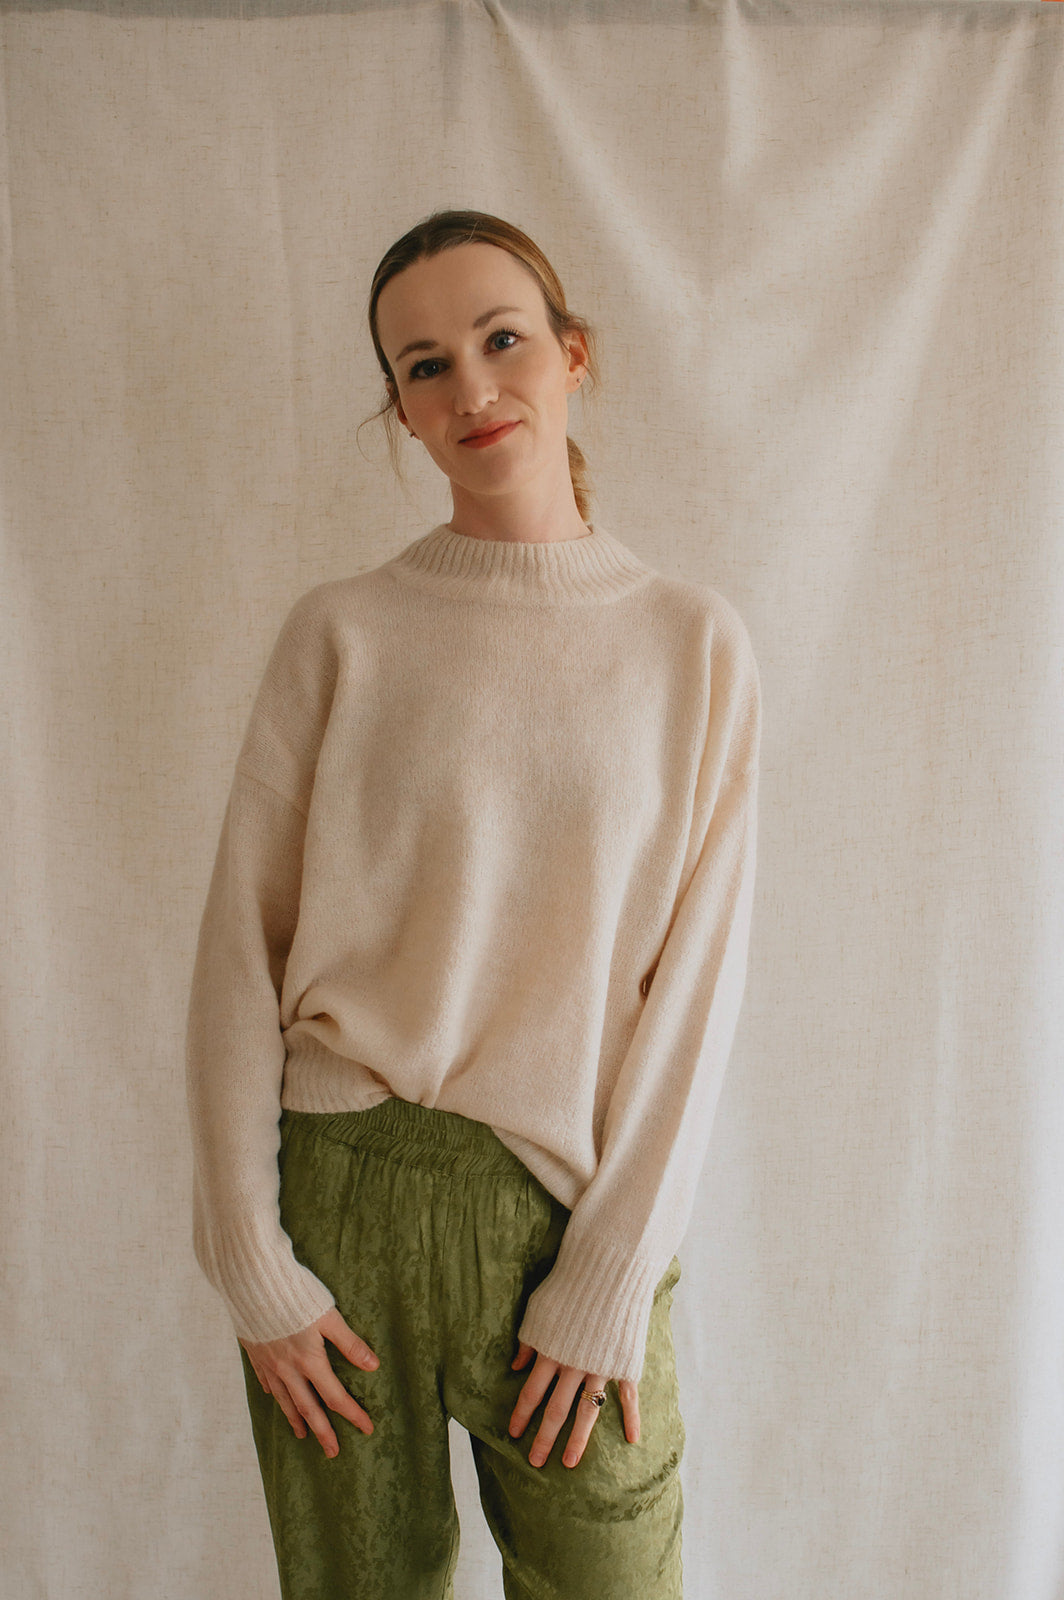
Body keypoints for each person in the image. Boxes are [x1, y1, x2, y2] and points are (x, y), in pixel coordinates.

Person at [185, 207, 761, 1600]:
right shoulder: (343, 632)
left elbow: (698, 993)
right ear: (401, 407)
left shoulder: (689, 646)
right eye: (425, 366)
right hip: (339, 1205)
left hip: (560, 1214)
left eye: (503, 340)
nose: (471, 388)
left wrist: (608, 1277)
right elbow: (239, 953)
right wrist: (251, 1262)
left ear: (574, 354)